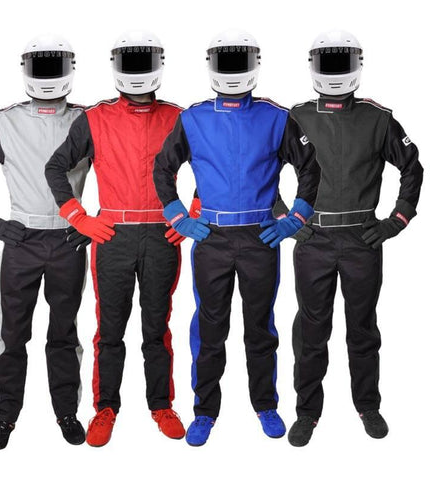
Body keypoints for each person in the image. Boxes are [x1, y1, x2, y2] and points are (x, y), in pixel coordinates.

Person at [153, 29, 320, 446]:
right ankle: (204, 411)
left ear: (254, 65)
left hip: (261, 236)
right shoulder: (193, 118)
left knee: (260, 327)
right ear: (211, 65)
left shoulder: (277, 117)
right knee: (210, 328)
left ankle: (265, 404)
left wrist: (295, 218)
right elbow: (163, 168)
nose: (232, 71)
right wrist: (177, 216)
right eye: (224, 61)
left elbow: (309, 167)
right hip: (210, 237)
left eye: (239, 61)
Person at [45, 30, 186, 447]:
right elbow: (56, 167)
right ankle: (105, 408)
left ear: (159, 65)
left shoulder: (178, 117)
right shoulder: (95, 118)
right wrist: (77, 216)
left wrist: (193, 213)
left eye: (145, 61)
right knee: (110, 329)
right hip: (112, 235)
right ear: (116, 67)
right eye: (130, 62)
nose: (138, 71)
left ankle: (161, 405)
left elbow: (212, 163)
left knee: (157, 326)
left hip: (161, 233)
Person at [283, 30, 424, 447]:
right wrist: (285, 218)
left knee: (362, 328)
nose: (334, 71)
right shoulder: (296, 117)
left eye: (341, 61)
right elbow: (263, 166)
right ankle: (307, 412)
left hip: (363, 239)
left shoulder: (378, 119)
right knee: (312, 329)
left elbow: (412, 167)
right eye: (326, 62)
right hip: (313, 237)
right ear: (312, 65)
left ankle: (368, 406)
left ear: (358, 64)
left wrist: (396, 220)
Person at [0, 34, 90, 450]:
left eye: (55, 66)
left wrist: (93, 223)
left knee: (64, 333)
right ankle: (4, 417)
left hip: (68, 238)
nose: (47, 76)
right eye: (40, 66)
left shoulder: (87, 120)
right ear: (26, 70)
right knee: (12, 335)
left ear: (70, 69)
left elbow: (121, 171)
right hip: (21, 239)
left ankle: (67, 412)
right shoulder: (5, 121)